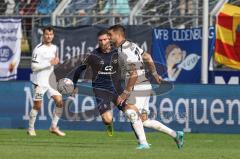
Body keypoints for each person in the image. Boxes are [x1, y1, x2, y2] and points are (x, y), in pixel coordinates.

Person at [108, 24, 184, 149]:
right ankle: (176, 134)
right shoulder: (132, 45)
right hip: (144, 84)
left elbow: (133, 73)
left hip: (137, 85)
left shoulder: (124, 50)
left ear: (119, 35)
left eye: (111, 35)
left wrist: (126, 92)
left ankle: (143, 143)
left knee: (131, 112)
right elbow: (147, 57)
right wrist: (155, 74)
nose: (109, 38)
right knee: (144, 120)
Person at [72, 29, 150, 149]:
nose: (103, 42)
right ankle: (109, 125)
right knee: (108, 119)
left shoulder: (118, 53)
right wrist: (74, 86)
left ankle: (142, 142)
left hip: (116, 88)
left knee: (132, 113)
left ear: (109, 39)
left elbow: (132, 66)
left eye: (105, 39)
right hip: (100, 90)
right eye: (100, 40)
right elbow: (79, 70)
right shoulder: (93, 55)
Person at [27, 26, 65, 137]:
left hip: (51, 81)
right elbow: (34, 67)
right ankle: (30, 128)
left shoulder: (54, 48)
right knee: (37, 106)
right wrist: (50, 63)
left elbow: (53, 63)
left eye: (51, 34)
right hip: (39, 82)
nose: (49, 36)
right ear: (43, 35)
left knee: (60, 102)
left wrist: (55, 64)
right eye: (46, 34)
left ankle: (53, 127)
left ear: (53, 36)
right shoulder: (38, 49)